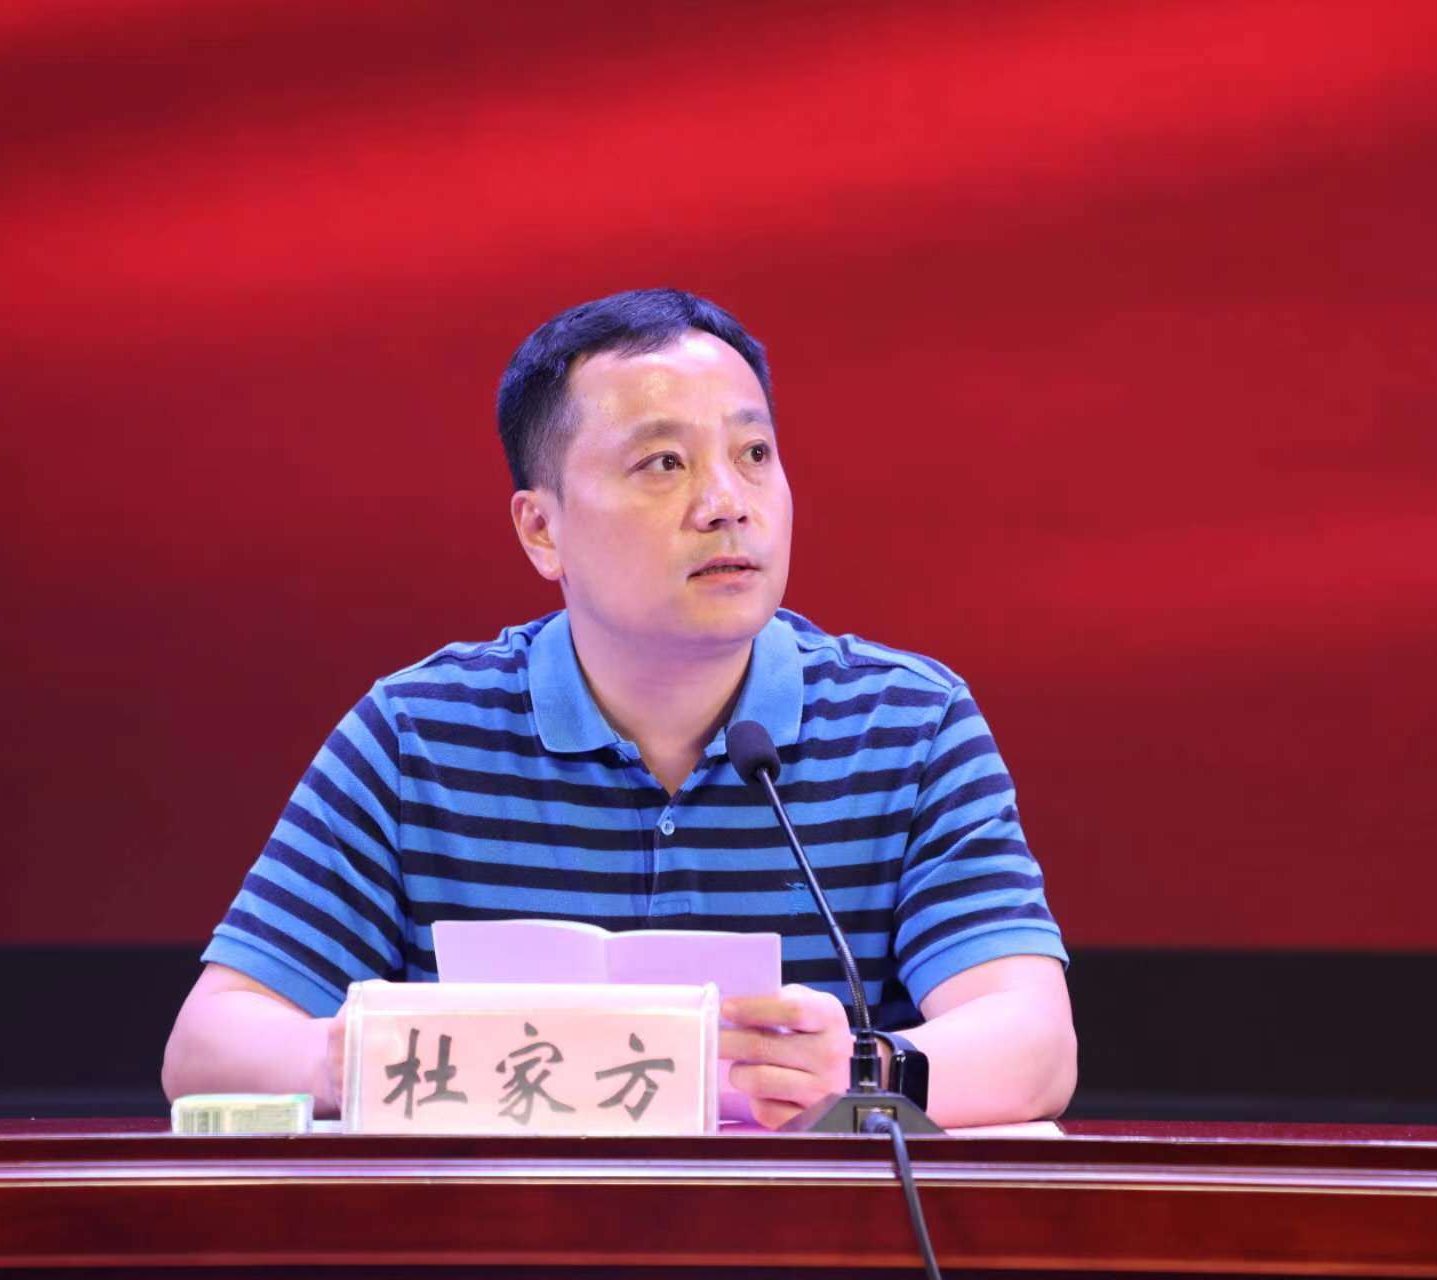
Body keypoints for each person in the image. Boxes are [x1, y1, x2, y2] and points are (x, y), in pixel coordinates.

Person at [161, 288, 1076, 1128]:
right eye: (663, 463)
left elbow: (1034, 1045)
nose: (727, 505)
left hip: (805, 1236)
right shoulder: (416, 736)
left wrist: (865, 1070)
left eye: (754, 454)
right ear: (541, 529)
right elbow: (208, 1045)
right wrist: (371, 1053)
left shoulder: (908, 726)